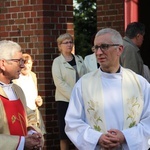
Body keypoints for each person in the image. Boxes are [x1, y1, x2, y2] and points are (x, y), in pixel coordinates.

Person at [65, 28, 150, 150]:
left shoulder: (140, 83)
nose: (99, 53)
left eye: (104, 47)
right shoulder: (84, 84)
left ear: (119, 49)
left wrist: (125, 136)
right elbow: (72, 122)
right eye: (96, 48)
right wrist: (97, 138)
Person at [0, 40, 44, 149]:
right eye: (18, 61)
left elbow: (28, 117)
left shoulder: (17, 90)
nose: (22, 65)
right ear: (2, 64)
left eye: (22, 61)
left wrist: (33, 132)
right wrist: (21, 142)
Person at [52, 33, 87, 150]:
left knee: (80, 131)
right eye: (66, 42)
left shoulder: (79, 59)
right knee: (64, 134)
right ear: (60, 46)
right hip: (64, 101)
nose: (69, 44)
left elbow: (85, 78)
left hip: (81, 101)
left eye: (70, 42)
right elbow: (59, 83)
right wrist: (74, 96)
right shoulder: (57, 62)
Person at [13, 53, 46, 135]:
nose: (26, 66)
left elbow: (33, 93)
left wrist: (39, 101)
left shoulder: (33, 76)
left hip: (35, 112)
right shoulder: (16, 78)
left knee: (39, 138)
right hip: (23, 113)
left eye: (29, 63)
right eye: (24, 63)